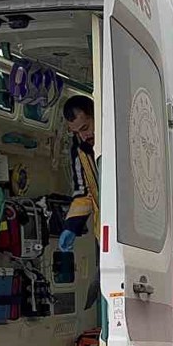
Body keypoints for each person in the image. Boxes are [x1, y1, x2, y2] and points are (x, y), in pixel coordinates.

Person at [58, 95, 98, 252]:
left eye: (85, 128)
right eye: (76, 132)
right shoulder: (80, 151)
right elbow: (84, 194)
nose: (83, 136)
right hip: (106, 231)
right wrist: (71, 226)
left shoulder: (119, 137)